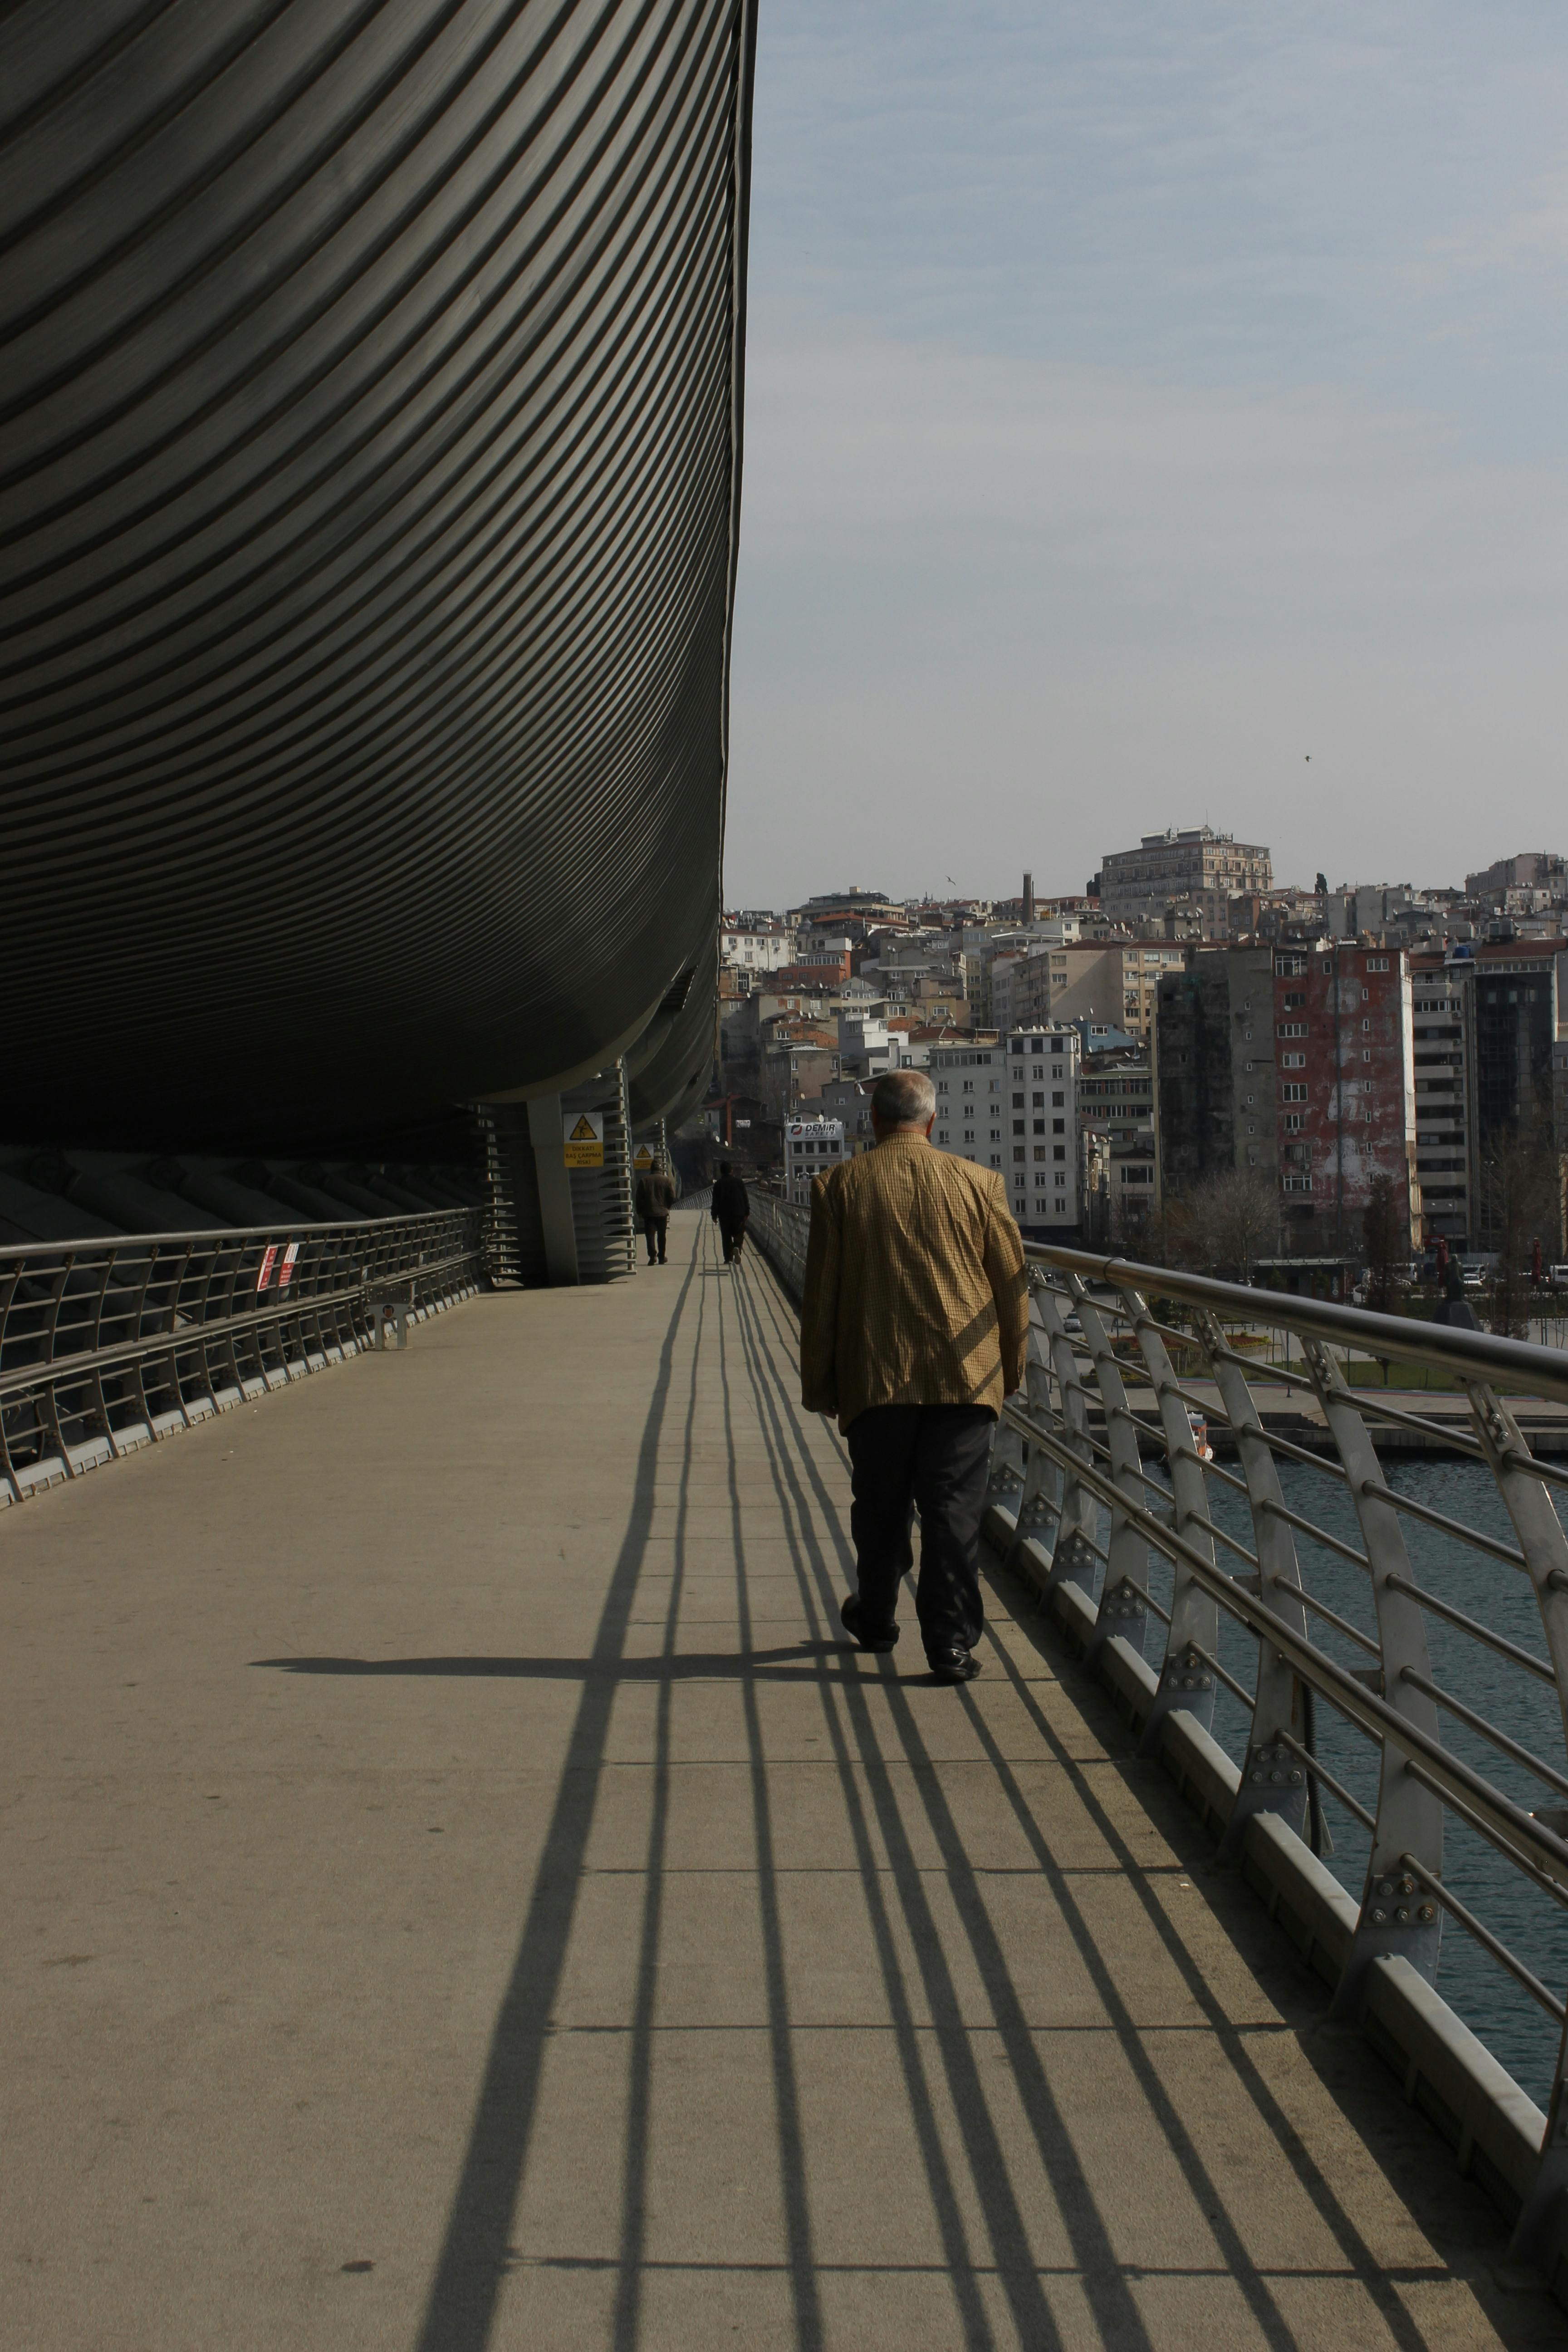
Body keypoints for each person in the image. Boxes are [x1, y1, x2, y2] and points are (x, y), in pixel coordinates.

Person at [799, 1068, 1028, 1685]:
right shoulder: (981, 1184)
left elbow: (822, 1298)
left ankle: (876, 1618)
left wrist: (820, 1383)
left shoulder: (838, 1186)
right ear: (932, 1122)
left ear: (873, 1122)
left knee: (879, 1506)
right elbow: (1012, 1285)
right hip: (965, 1377)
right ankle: (950, 1646)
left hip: (876, 1374)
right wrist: (1011, 1368)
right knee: (954, 1513)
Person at [633, 1156, 678, 1265]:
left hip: (648, 1213)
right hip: (662, 1213)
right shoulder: (666, 1181)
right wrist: (667, 1206)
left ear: (651, 1169)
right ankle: (662, 1257)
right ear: (661, 1169)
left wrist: (639, 1211)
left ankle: (652, 1256)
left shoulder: (644, 1181)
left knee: (650, 1236)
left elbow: (639, 1198)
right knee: (662, 1236)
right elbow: (672, 1196)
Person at [710, 1160, 750, 1264]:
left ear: (721, 1172)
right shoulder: (739, 1182)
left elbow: (715, 1202)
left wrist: (714, 1215)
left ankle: (728, 1258)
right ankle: (736, 1247)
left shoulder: (718, 1185)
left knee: (726, 1236)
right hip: (739, 1213)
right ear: (731, 1171)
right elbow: (745, 1198)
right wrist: (747, 1212)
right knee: (739, 1233)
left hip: (724, 1215)